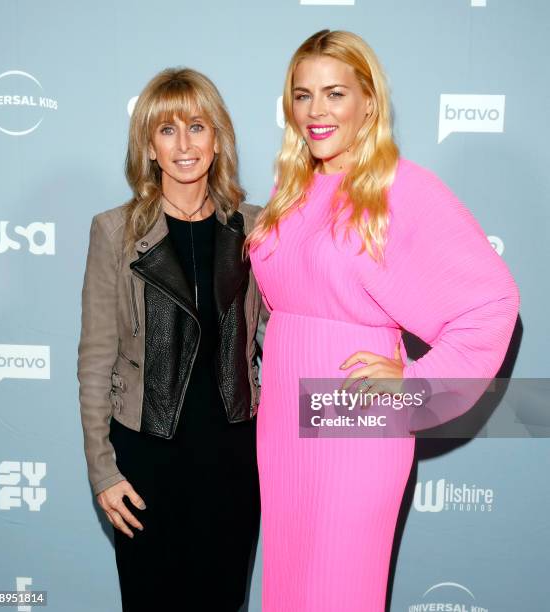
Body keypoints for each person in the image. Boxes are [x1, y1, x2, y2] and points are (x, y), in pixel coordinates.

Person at [246, 30, 520, 611]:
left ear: (368, 101)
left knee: (338, 589)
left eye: (334, 93)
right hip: (283, 421)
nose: (316, 112)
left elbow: (492, 302)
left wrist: (416, 384)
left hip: (356, 420)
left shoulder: (402, 187)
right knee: (290, 587)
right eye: (302, 95)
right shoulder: (289, 191)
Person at [77, 67, 264, 612]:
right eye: (167, 130)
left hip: (233, 456)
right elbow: (95, 360)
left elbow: (279, 337)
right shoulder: (115, 231)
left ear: (217, 139)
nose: (184, 144)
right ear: (149, 148)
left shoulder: (254, 228)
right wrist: (103, 470)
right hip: (145, 456)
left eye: (197, 127)